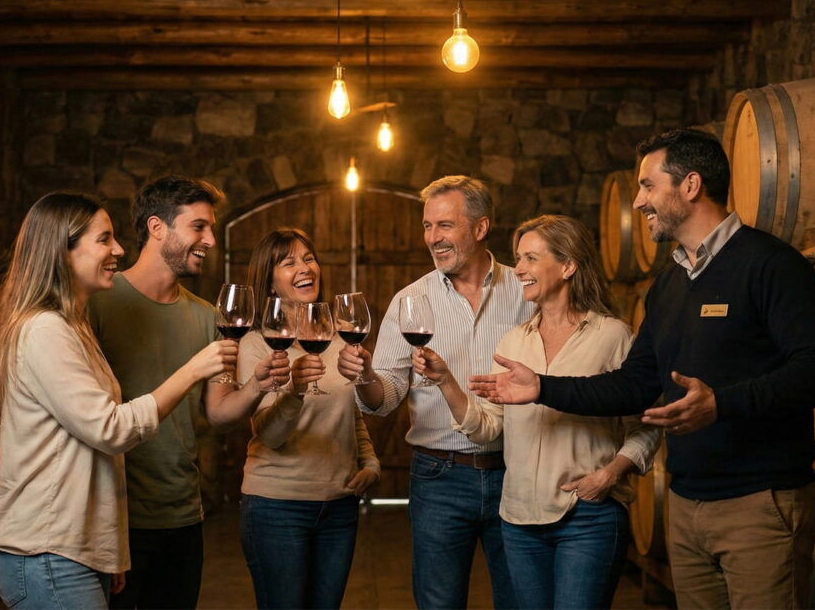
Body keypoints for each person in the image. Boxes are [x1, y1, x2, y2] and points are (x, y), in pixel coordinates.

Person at [469, 129, 815, 610]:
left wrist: (722, 403)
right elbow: (634, 385)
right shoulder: (669, 286)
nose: (638, 201)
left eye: (648, 185)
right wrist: (543, 386)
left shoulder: (771, 264)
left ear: (690, 185)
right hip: (686, 504)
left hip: (759, 501)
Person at [0, 192, 238, 609]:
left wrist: (109, 550)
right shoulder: (46, 330)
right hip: (49, 554)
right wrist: (193, 370)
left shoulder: (71, 327)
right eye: (104, 239)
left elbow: (88, 454)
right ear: (63, 252)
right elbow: (109, 429)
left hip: (72, 551)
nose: (118, 249)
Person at [415, 214, 660, 610]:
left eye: (531, 258)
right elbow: (487, 428)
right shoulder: (514, 342)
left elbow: (646, 423)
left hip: (587, 515)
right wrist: (446, 382)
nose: (519, 270)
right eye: (518, 259)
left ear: (568, 266)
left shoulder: (611, 335)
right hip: (519, 520)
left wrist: (610, 474)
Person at [88, 176, 290, 610]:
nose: (210, 240)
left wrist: (258, 385)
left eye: (210, 228)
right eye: (199, 227)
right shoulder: (98, 304)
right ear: (157, 227)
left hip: (182, 514)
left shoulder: (207, 317)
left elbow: (219, 414)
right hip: (116, 517)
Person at [338, 175, 531, 610]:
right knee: (438, 603)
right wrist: (365, 376)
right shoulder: (412, 300)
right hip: (439, 476)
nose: (432, 238)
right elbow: (385, 398)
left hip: (517, 469)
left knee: (520, 599)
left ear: (480, 228)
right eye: (427, 226)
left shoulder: (526, 291)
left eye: (445, 225)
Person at [236, 227, 380, 609]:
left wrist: (370, 461)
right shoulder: (256, 345)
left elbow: (349, 414)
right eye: (289, 263)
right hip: (277, 507)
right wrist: (296, 391)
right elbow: (270, 436)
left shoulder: (338, 340)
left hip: (339, 507)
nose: (305, 268)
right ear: (270, 283)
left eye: (309, 258)